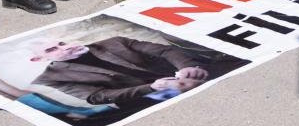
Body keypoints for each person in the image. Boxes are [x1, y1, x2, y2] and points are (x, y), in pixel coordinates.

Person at [29, 37, 211, 108]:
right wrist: (152, 87)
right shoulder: (49, 78)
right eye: (52, 49)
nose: (66, 47)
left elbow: (164, 51)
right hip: (143, 97)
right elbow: (97, 96)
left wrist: (187, 65)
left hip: (182, 74)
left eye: (62, 42)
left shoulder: (114, 42)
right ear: (38, 59)